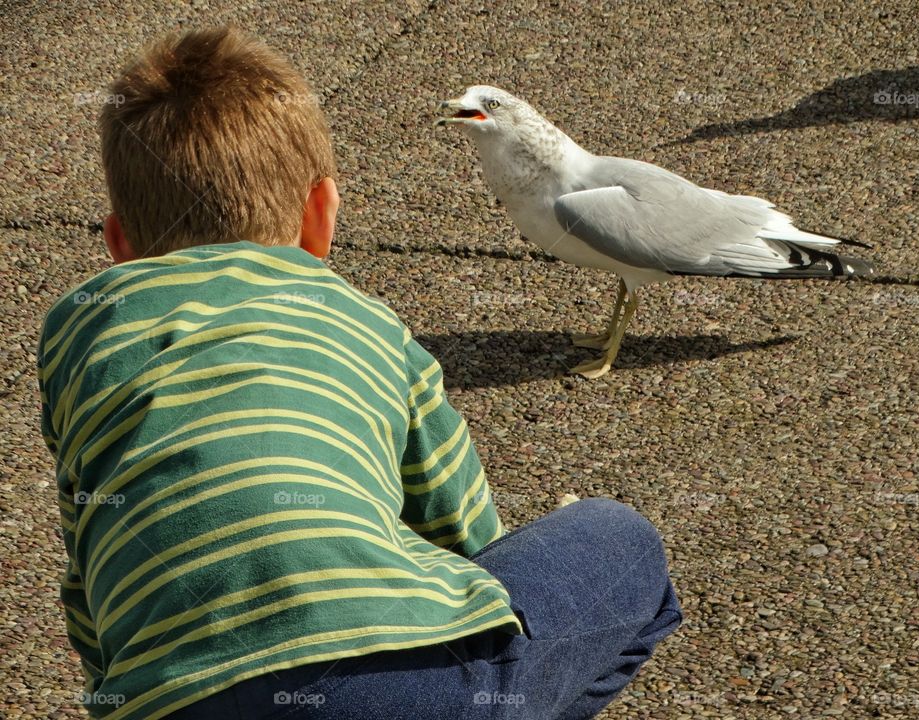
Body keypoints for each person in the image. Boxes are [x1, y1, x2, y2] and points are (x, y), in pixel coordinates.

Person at [37, 26, 681, 720]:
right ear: (322, 215)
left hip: (173, 705)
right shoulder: (367, 321)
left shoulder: (80, 330)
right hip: (400, 689)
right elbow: (465, 534)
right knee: (620, 541)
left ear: (118, 249)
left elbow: (90, 559)